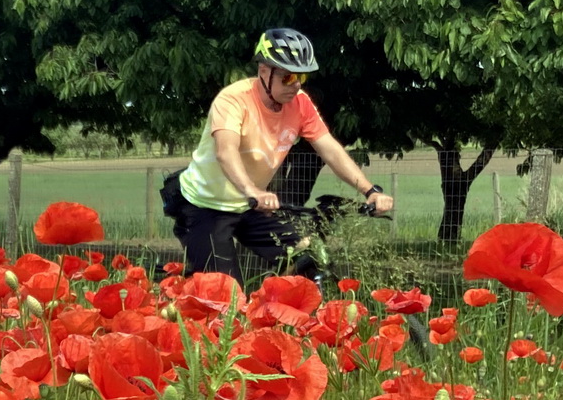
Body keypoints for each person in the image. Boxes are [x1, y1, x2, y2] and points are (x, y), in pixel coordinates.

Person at [162, 28, 394, 282]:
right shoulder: (233, 100)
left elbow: (329, 148)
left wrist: (370, 191)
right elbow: (226, 152)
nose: (295, 85)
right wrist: (254, 190)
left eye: (301, 78)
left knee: (310, 260)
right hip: (204, 206)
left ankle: (278, 317)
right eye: (288, 77)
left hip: (249, 206)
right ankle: (173, 290)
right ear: (264, 72)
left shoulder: (300, 104)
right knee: (223, 297)